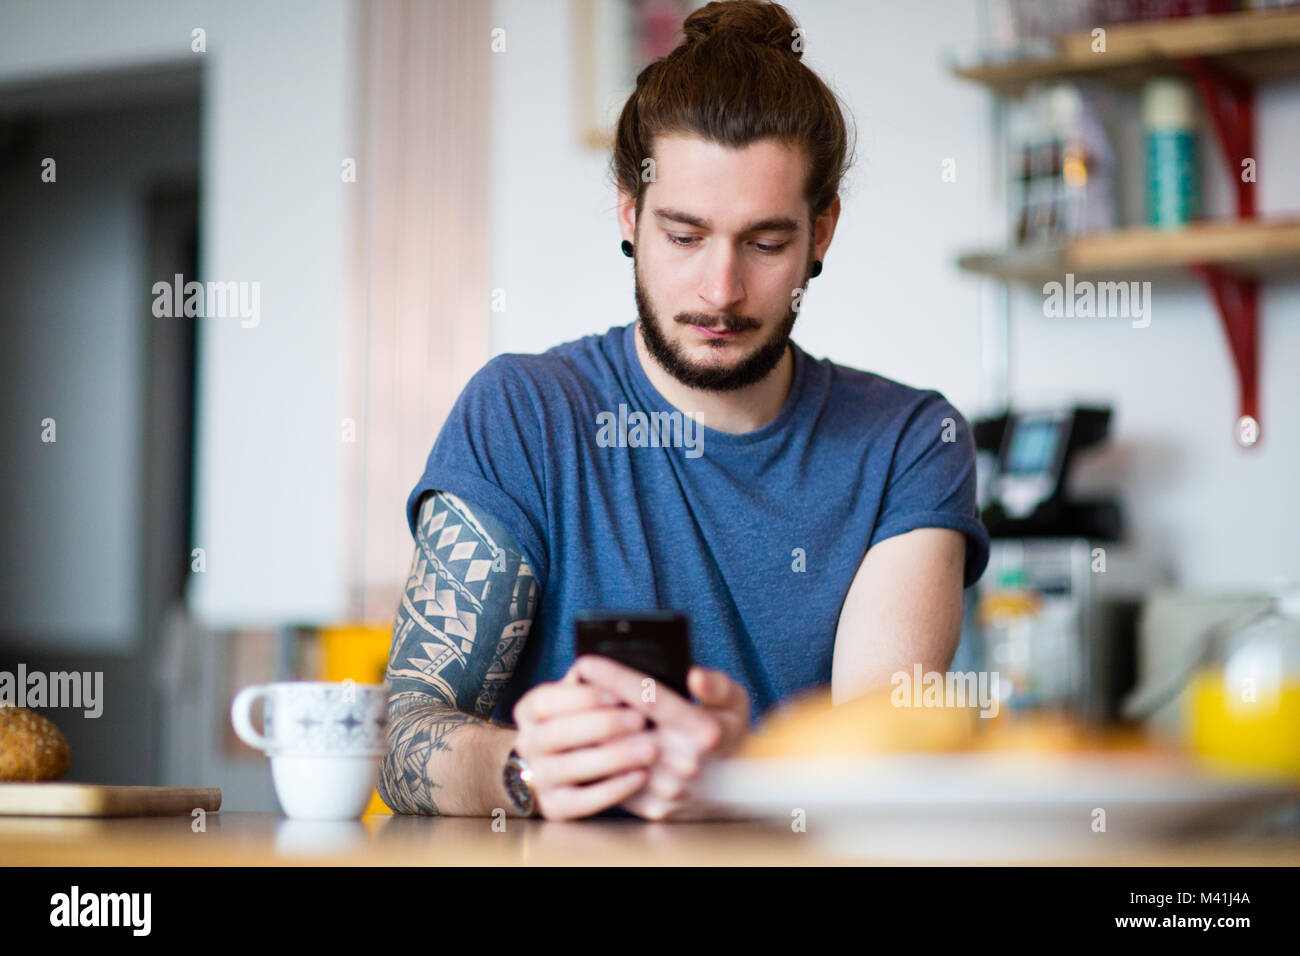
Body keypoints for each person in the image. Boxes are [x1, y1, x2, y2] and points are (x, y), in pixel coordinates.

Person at [377, 0, 990, 823]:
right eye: (684, 235)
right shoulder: (523, 414)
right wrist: (520, 769)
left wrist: (743, 773)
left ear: (822, 233)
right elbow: (401, 737)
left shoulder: (911, 443)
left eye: (767, 243)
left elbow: (876, 765)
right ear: (631, 214)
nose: (721, 290)